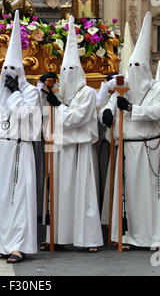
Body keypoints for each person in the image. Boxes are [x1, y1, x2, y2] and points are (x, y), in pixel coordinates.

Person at [101, 11, 160, 250]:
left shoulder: (159, 90)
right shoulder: (123, 88)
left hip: (150, 148)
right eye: (130, 65)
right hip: (128, 149)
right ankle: (132, 235)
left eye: (138, 65)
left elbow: (155, 112)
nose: (134, 68)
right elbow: (110, 105)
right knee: (132, 197)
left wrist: (132, 108)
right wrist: (107, 111)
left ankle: (155, 236)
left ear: (145, 67)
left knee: (151, 196)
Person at [41, 15, 103, 252]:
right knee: (59, 195)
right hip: (59, 148)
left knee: (82, 195)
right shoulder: (57, 93)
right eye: (63, 69)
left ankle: (88, 239)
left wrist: (56, 106)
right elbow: (47, 121)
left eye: (71, 69)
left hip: (79, 149)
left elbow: (76, 119)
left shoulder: (86, 92)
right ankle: (57, 236)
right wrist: (48, 102)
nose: (67, 73)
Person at [0, 11, 41, 263]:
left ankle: (20, 245)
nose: (9, 73)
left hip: (21, 148)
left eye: (14, 69)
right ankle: (4, 242)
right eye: (5, 69)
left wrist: (17, 92)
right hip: (3, 151)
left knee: (19, 197)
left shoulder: (30, 92)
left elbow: (26, 116)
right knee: (3, 197)